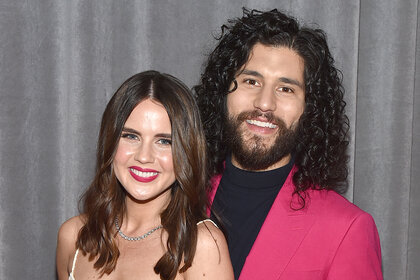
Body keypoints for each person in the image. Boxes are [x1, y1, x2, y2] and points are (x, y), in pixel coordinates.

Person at [193, 8, 383, 280]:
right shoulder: (177, 198)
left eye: (286, 88)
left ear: (310, 108)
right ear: (223, 91)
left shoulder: (346, 229)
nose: (265, 103)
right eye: (251, 80)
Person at [56, 71, 234, 280]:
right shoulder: (73, 237)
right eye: (131, 136)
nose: (144, 156)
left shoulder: (201, 245)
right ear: (110, 141)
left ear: (187, 151)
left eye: (164, 141)